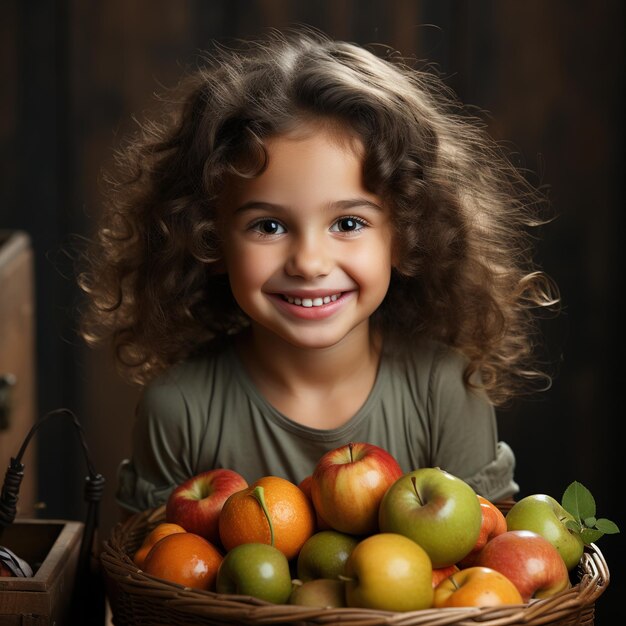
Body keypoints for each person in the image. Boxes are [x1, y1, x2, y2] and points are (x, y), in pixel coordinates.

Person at [78, 28, 558, 516]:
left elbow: (493, 580)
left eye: (348, 223)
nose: (309, 262)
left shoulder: (446, 393)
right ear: (209, 238)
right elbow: (147, 578)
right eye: (268, 226)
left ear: (407, 235)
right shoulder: (178, 409)